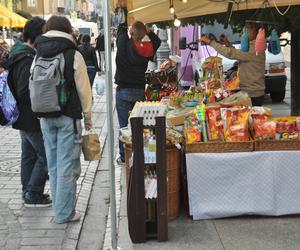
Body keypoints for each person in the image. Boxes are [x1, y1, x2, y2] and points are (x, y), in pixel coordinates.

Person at [34, 15, 93, 223]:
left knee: (54, 165)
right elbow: (84, 89)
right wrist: (88, 116)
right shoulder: (72, 54)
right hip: (68, 117)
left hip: (45, 115)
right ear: (67, 30)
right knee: (68, 166)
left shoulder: (38, 53)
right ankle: (64, 213)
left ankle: (61, 209)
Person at [2, 17, 51, 207]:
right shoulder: (26, 58)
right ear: (36, 36)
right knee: (44, 155)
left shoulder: (18, 53)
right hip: (30, 116)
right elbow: (24, 90)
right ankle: (33, 193)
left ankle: (27, 191)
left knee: (29, 155)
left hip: (23, 117)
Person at [114, 4, 161, 164]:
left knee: (123, 125)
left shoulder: (123, 45)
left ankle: (124, 156)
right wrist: (144, 32)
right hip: (139, 91)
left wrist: (123, 11)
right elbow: (157, 40)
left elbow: (120, 29)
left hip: (123, 91)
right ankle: (141, 152)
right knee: (139, 124)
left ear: (132, 33)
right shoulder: (147, 49)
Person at [200, 23, 265, 106]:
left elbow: (231, 53)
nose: (241, 34)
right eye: (242, 31)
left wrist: (211, 42)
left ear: (254, 31)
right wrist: (228, 44)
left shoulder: (253, 48)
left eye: (245, 31)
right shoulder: (252, 47)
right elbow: (238, 54)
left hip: (253, 93)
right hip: (250, 91)